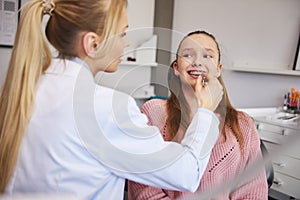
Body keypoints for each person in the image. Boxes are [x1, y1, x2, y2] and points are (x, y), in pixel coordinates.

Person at [0, 1, 224, 199]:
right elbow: (188, 172)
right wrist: (205, 111)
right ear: (93, 44)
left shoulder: (25, 89)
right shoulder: (106, 109)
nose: (126, 43)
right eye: (122, 33)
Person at [127, 30, 268, 199]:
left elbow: (254, 193)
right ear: (177, 68)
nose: (198, 62)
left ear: (218, 69)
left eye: (208, 56)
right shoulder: (153, 113)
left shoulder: (243, 124)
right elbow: (144, 191)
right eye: (188, 55)